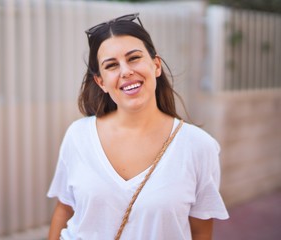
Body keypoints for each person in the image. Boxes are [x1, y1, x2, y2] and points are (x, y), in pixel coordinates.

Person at [47, 13, 229, 240]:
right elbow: (64, 210)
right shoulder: (78, 135)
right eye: (112, 65)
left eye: (134, 58)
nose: (125, 71)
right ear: (101, 82)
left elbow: (201, 231)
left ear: (156, 66)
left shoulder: (199, 146)